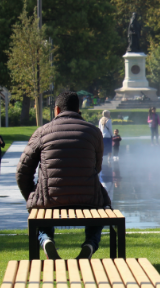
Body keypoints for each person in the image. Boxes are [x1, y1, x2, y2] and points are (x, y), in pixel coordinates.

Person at [16, 91, 109, 260]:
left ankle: (45, 240)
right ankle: (90, 243)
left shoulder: (42, 132)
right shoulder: (94, 132)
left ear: (57, 110)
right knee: (103, 203)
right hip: (87, 200)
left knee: (40, 211)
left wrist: (31, 195)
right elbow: (97, 168)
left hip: (50, 200)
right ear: (78, 110)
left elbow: (22, 171)